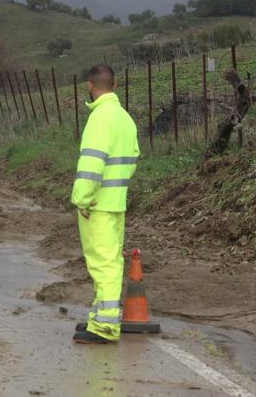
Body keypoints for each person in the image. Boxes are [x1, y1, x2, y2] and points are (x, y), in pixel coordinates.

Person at [71, 64, 140, 345]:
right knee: (111, 260)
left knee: (103, 265)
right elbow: (133, 158)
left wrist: (82, 198)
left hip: (97, 203)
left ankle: (105, 327)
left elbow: (91, 163)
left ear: (90, 85)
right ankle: (99, 319)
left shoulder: (100, 118)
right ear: (114, 84)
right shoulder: (124, 118)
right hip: (116, 201)